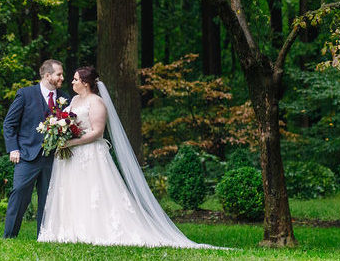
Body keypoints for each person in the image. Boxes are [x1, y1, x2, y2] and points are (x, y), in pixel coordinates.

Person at [37, 66, 212, 248]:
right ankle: (71, 228)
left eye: (75, 79)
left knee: (94, 190)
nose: (71, 82)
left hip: (91, 154)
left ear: (85, 83)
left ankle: (97, 229)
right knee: (74, 190)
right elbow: (70, 122)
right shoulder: (73, 99)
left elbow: (97, 132)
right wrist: (61, 133)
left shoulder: (96, 102)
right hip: (73, 155)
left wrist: (71, 142)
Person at [2, 58, 66, 238]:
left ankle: (44, 237)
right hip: (26, 155)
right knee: (19, 194)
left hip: (53, 157)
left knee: (48, 199)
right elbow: (9, 124)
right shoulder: (25, 94)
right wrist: (13, 149)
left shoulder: (65, 98)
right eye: (59, 74)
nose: (62, 78)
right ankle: (9, 236)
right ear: (47, 76)